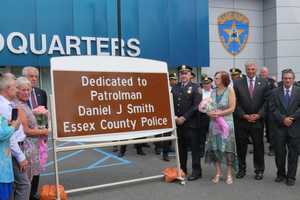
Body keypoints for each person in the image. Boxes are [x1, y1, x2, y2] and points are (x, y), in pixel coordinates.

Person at [233, 62, 269, 180]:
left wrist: (259, 115)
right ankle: (241, 169)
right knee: (241, 147)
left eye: (253, 69)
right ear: (245, 70)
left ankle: (259, 170)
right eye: (248, 69)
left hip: (257, 121)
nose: (251, 71)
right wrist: (243, 115)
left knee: (258, 146)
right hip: (242, 121)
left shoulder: (264, 82)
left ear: (256, 70)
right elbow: (235, 102)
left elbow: (267, 102)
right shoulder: (237, 83)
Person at [14, 77, 48, 199]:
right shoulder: (19, 105)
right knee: (23, 183)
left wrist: (36, 114)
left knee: (27, 181)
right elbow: (26, 130)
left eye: (28, 90)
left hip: (29, 148)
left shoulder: (24, 104)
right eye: (24, 90)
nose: (27, 92)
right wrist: (44, 131)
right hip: (23, 148)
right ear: (16, 90)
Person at [0, 75, 31, 200]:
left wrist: (14, 125)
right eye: (15, 87)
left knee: (13, 186)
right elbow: (7, 136)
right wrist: (20, 156)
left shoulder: (9, 104)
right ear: (7, 89)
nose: (17, 90)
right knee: (23, 184)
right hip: (9, 151)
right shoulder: (3, 106)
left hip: (10, 151)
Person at [205, 71, 238, 184]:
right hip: (214, 124)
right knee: (215, 148)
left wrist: (220, 113)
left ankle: (229, 174)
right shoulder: (212, 91)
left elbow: (232, 108)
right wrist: (209, 113)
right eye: (215, 78)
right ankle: (218, 172)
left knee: (227, 148)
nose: (215, 80)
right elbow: (208, 107)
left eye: (217, 78)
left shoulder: (230, 90)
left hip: (226, 124)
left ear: (224, 79)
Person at [269, 69, 300, 186]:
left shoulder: (299, 91)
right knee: (280, 153)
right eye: (285, 78)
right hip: (279, 127)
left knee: (293, 154)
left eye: (290, 78)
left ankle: (291, 177)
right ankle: (281, 174)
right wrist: (283, 119)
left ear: (293, 79)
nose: (287, 80)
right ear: (282, 79)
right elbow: (272, 108)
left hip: (294, 127)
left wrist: (291, 118)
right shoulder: (274, 92)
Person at [172, 65, 202, 181]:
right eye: (182, 73)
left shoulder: (196, 87)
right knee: (181, 149)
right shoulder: (175, 87)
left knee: (194, 149)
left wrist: (184, 117)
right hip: (178, 124)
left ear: (190, 75)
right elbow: (171, 103)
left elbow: (196, 106)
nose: (183, 75)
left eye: (186, 73)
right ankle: (183, 169)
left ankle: (196, 171)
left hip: (191, 124)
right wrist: (175, 117)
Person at [22, 66, 48, 200]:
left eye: (35, 76)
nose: (33, 79)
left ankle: (33, 193)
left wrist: (44, 134)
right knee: (25, 169)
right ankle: (24, 194)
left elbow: (45, 113)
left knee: (37, 167)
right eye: (30, 76)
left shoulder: (41, 93)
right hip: (25, 137)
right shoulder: (20, 93)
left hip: (39, 137)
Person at [0, 114, 20, 200]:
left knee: (7, 194)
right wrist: (13, 126)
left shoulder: (2, 117)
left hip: (5, 165)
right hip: (2, 169)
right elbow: (2, 134)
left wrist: (11, 125)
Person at [259, 67, 277, 156]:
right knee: (258, 130)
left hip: (269, 109)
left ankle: (272, 148)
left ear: (267, 73)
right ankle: (258, 148)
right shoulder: (257, 81)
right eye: (262, 72)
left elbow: (275, 93)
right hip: (259, 108)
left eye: (265, 72)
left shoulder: (272, 82)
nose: (263, 73)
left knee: (271, 130)